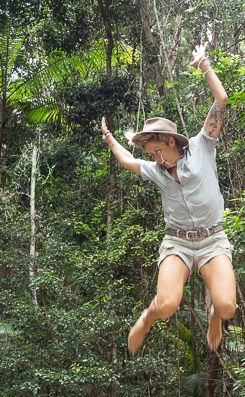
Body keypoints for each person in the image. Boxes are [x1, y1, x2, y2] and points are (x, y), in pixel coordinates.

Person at [100, 43, 236, 355]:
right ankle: (147, 317)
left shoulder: (203, 146)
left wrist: (203, 64)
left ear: (172, 141)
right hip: (177, 242)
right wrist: (109, 138)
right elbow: (126, 161)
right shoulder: (156, 170)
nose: (157, 158)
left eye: (159, 150)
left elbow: (222, 99)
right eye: (151, 154)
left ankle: (215, 315)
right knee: (167, 305)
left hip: (213, 240)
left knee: (227, 306)